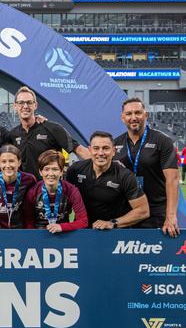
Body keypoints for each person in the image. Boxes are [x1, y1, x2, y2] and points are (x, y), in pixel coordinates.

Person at [113, 98, 179, 237]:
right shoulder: (115, 143)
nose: (134, 117)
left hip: (156, 212)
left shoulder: (162, 141)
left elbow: (172, 180)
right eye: (129, 114)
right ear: (122, 117)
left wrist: (171, 216)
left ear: (145, 115)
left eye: (138, 112)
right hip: (125, 212)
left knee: (154, 257)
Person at [67, 131, 150, 229]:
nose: (100, 153)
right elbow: (64, 198)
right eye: (96, 148)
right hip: (82, 232)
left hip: (113, 235)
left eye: (106, 148)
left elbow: (143, 210)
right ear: (90, 150)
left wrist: (113, 223)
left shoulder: (125, 176)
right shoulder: (75, 170)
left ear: (114, 151)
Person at [9, 86, 90, 178]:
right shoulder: (13, 134)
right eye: (21, 103)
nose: (25, 106)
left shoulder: (53, 129)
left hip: (50, 188)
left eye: (29, 102)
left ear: (35, 105)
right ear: (15, 106)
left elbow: (79, 150)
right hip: (26, 189)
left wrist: (104, 166)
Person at [23, 150, 88, 234]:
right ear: (40, 172)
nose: (51, 173)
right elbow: (28, 222)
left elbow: (83, 221)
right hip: (38, 234)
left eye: (55, 169)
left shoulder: (71, 191)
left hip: (64, 234)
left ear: (61, 172)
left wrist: (61, 227)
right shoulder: (33, 192)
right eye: (46, 169)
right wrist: (35, 237)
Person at [0, 145, 37, 229]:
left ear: (19, 162)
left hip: (19, 230)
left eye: (11, 161)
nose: (8, 165)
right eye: (4, 161)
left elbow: (31, 210)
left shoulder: (29, 180)